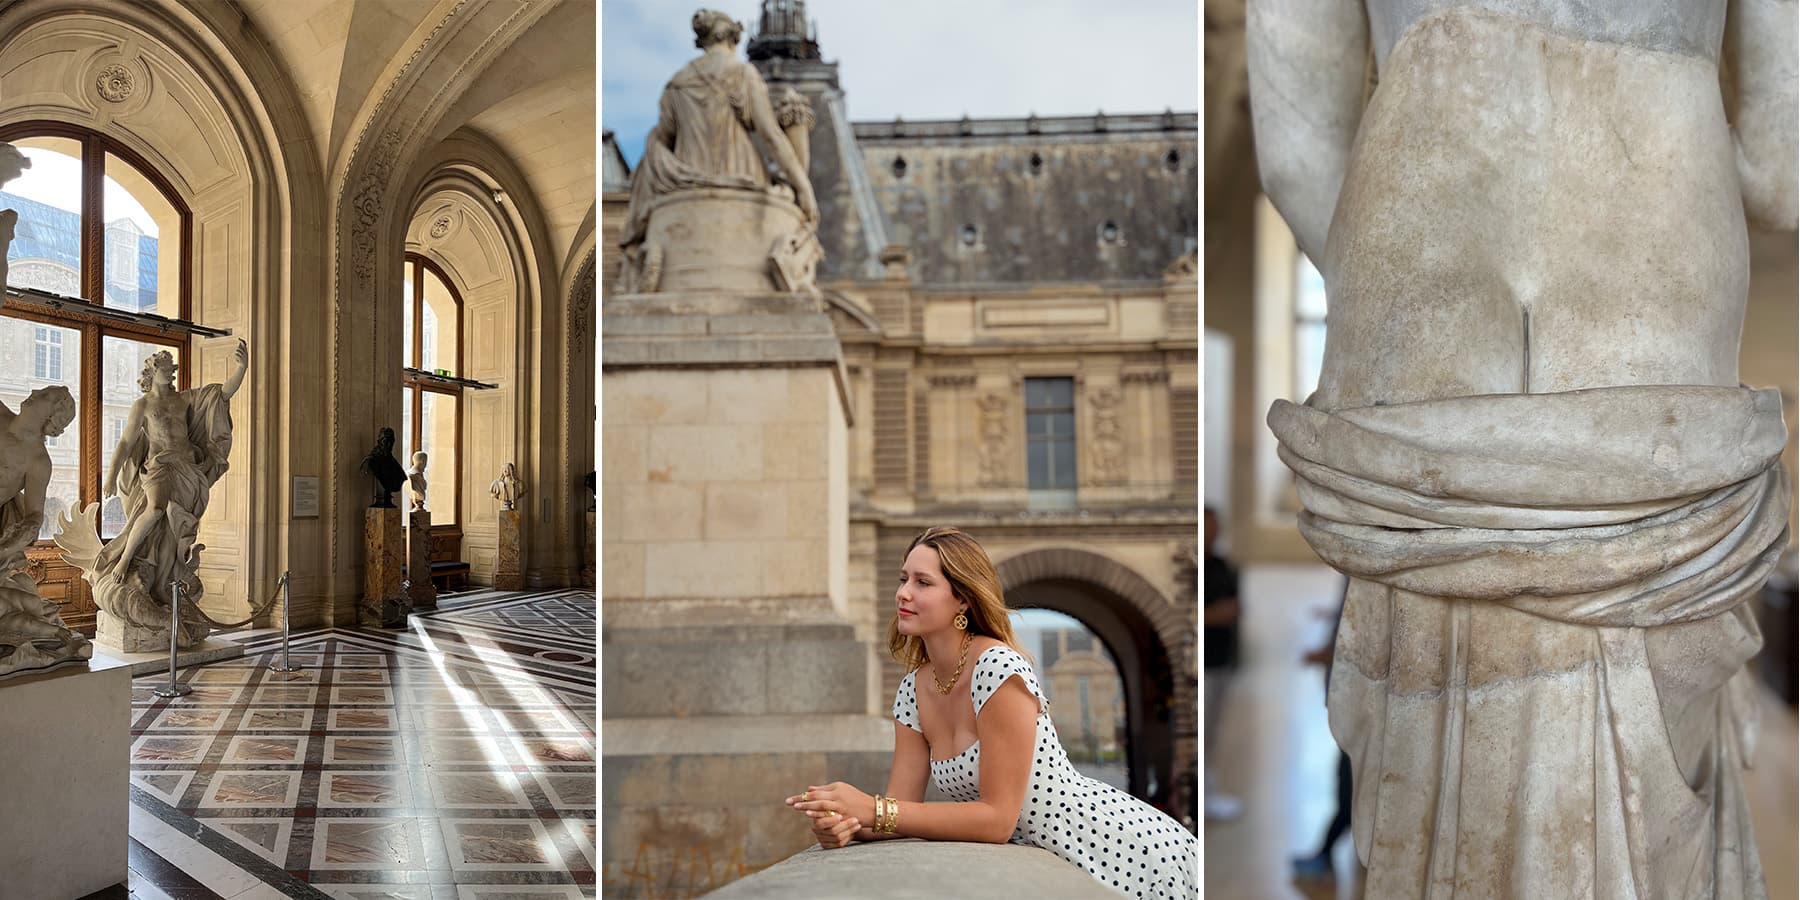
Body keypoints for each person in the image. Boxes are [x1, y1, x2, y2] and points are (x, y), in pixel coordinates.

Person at [786, 525, 1197, 899]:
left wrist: (873, 810)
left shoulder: (998, 668)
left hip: (1116, 852)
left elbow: (998, 820)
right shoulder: (912, 690)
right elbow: (899, 808)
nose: (903, 593)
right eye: (903, 579)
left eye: (922, 582)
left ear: (962, 597)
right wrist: (845, 823)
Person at [1201, 506, 1242, 820]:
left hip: (1222, 660)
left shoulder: (1225, 567)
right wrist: (1215, 615)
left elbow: (1236, 610)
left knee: (1212, 730)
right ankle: (1206, 796)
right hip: (1204, 662)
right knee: (1204, 730)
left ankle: (1209, 793)